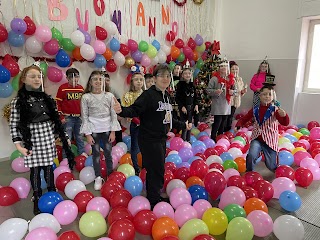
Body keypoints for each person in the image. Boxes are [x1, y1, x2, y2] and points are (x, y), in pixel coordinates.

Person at [113, 64, 192, 209]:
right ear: (154, 78)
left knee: (159, 168)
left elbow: (169, 118)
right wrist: (121, 110)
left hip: (161, 138)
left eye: (168, 76)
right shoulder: (148, 95)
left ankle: (154, 194)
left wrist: (183, 125)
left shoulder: (167, 96)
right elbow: (135, 110)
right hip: (149, 139)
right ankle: (153, 199)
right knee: (155, 169)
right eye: (161, 75)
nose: (165, 78)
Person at [9, 64, 74, 215]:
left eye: (39, 76)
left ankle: (51, 192)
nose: (37, 79)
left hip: (47, 137)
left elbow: (55, 122)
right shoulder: (18, 101)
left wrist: (63, 137)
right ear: (24, 79)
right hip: (32, 139)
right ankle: (37, 196)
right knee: (35, 169)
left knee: (48, 167)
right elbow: (14, 125)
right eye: (32, 76)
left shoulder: (47, 99)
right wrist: (18, 145)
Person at [235, 82, 289, 172]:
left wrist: (284, 115)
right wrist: (239, 124)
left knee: (272, 166)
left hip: (270, 140)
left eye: (269, 94)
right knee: (251, 155)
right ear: (260, 96)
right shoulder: (255, 109)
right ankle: (249, 171)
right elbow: (245, 118)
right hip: (257, 139)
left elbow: (285, 123)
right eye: (264, 94)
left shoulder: (275, 110)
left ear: (273, 97)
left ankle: (275, 166)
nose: (267, 96)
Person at [80, 70, 121, 190]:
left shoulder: (109, 96)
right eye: (95, 79)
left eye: (100, 79)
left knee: (108, 153)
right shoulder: (86, 97)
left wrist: (113, 131)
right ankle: (98, 176)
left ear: (104, 82)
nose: (98, 81)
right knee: (96, 154)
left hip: (107, 129)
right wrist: (88, 134)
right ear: (90, 82)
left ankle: (110, 175)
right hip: (94, 130)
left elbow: (113, 114)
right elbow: (85, 116)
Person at [55, 68, 85, 155]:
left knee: (80, 137)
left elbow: (83, 103)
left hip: (79, 117)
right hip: (67, 117)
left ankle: (81, 154)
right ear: (67, 78)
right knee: (67, 138)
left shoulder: (81, 89)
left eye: (76, 76)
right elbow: (58, 103)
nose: (74, 79)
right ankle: (66, 158)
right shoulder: (62, 88)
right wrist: (61, 116)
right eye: (71, 77)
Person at [121, 72, 145, 175]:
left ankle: (145, 166)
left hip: (147, 125)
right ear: (132, 82)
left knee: (145, 146)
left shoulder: (147, 94)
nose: (139, 82)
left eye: (141, 79)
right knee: (135, 146)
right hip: (135, 124)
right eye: (136, 79)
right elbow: (127, 110)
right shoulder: (127, 95)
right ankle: (136, 168)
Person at [206, 59, 235, 141]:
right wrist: (215, 91)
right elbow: (208, 90)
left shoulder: (231, 79)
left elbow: (235, 90)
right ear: (219, 68)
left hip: (227, 104)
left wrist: (232, 92)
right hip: (218, 104)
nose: (223, 68)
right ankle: (213, 138)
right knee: (217, 122)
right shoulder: (214, 79)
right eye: (221, 66)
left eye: (225, 66)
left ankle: (220, 137)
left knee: (224, 122)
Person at [175, 66, 199, 141]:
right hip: (184, 108)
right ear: (182, 75)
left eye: (189, 73)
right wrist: (181, 106)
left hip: (191, 107)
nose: (187, 75)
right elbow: (177, 98)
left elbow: (195, 97)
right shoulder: (180, 85)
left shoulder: (192, 85)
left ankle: (188, 140)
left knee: (190, 124)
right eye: (185, 74)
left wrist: (196, 105)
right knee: (184, 124)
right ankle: (183, 139)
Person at [225, 61, 247, 132]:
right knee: (226, 116)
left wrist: (243, 92)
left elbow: (240, 91)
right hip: (228, 100)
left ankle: (228, 130)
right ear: (230, 70)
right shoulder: (227, 78)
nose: (235, 71)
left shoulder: (240, 79)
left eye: (236, 69)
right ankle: (224, 130)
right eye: (233, 69)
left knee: (231, 116)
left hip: (236, 100)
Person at [103, 71, 123, 143]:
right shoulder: (98, 91)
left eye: (108, 80)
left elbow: (119, 103)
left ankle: (119, 143)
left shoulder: (113, 90)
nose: (106, 82)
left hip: (114, 114)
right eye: (104, 80)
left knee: (118, 128)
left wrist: (119, 114)